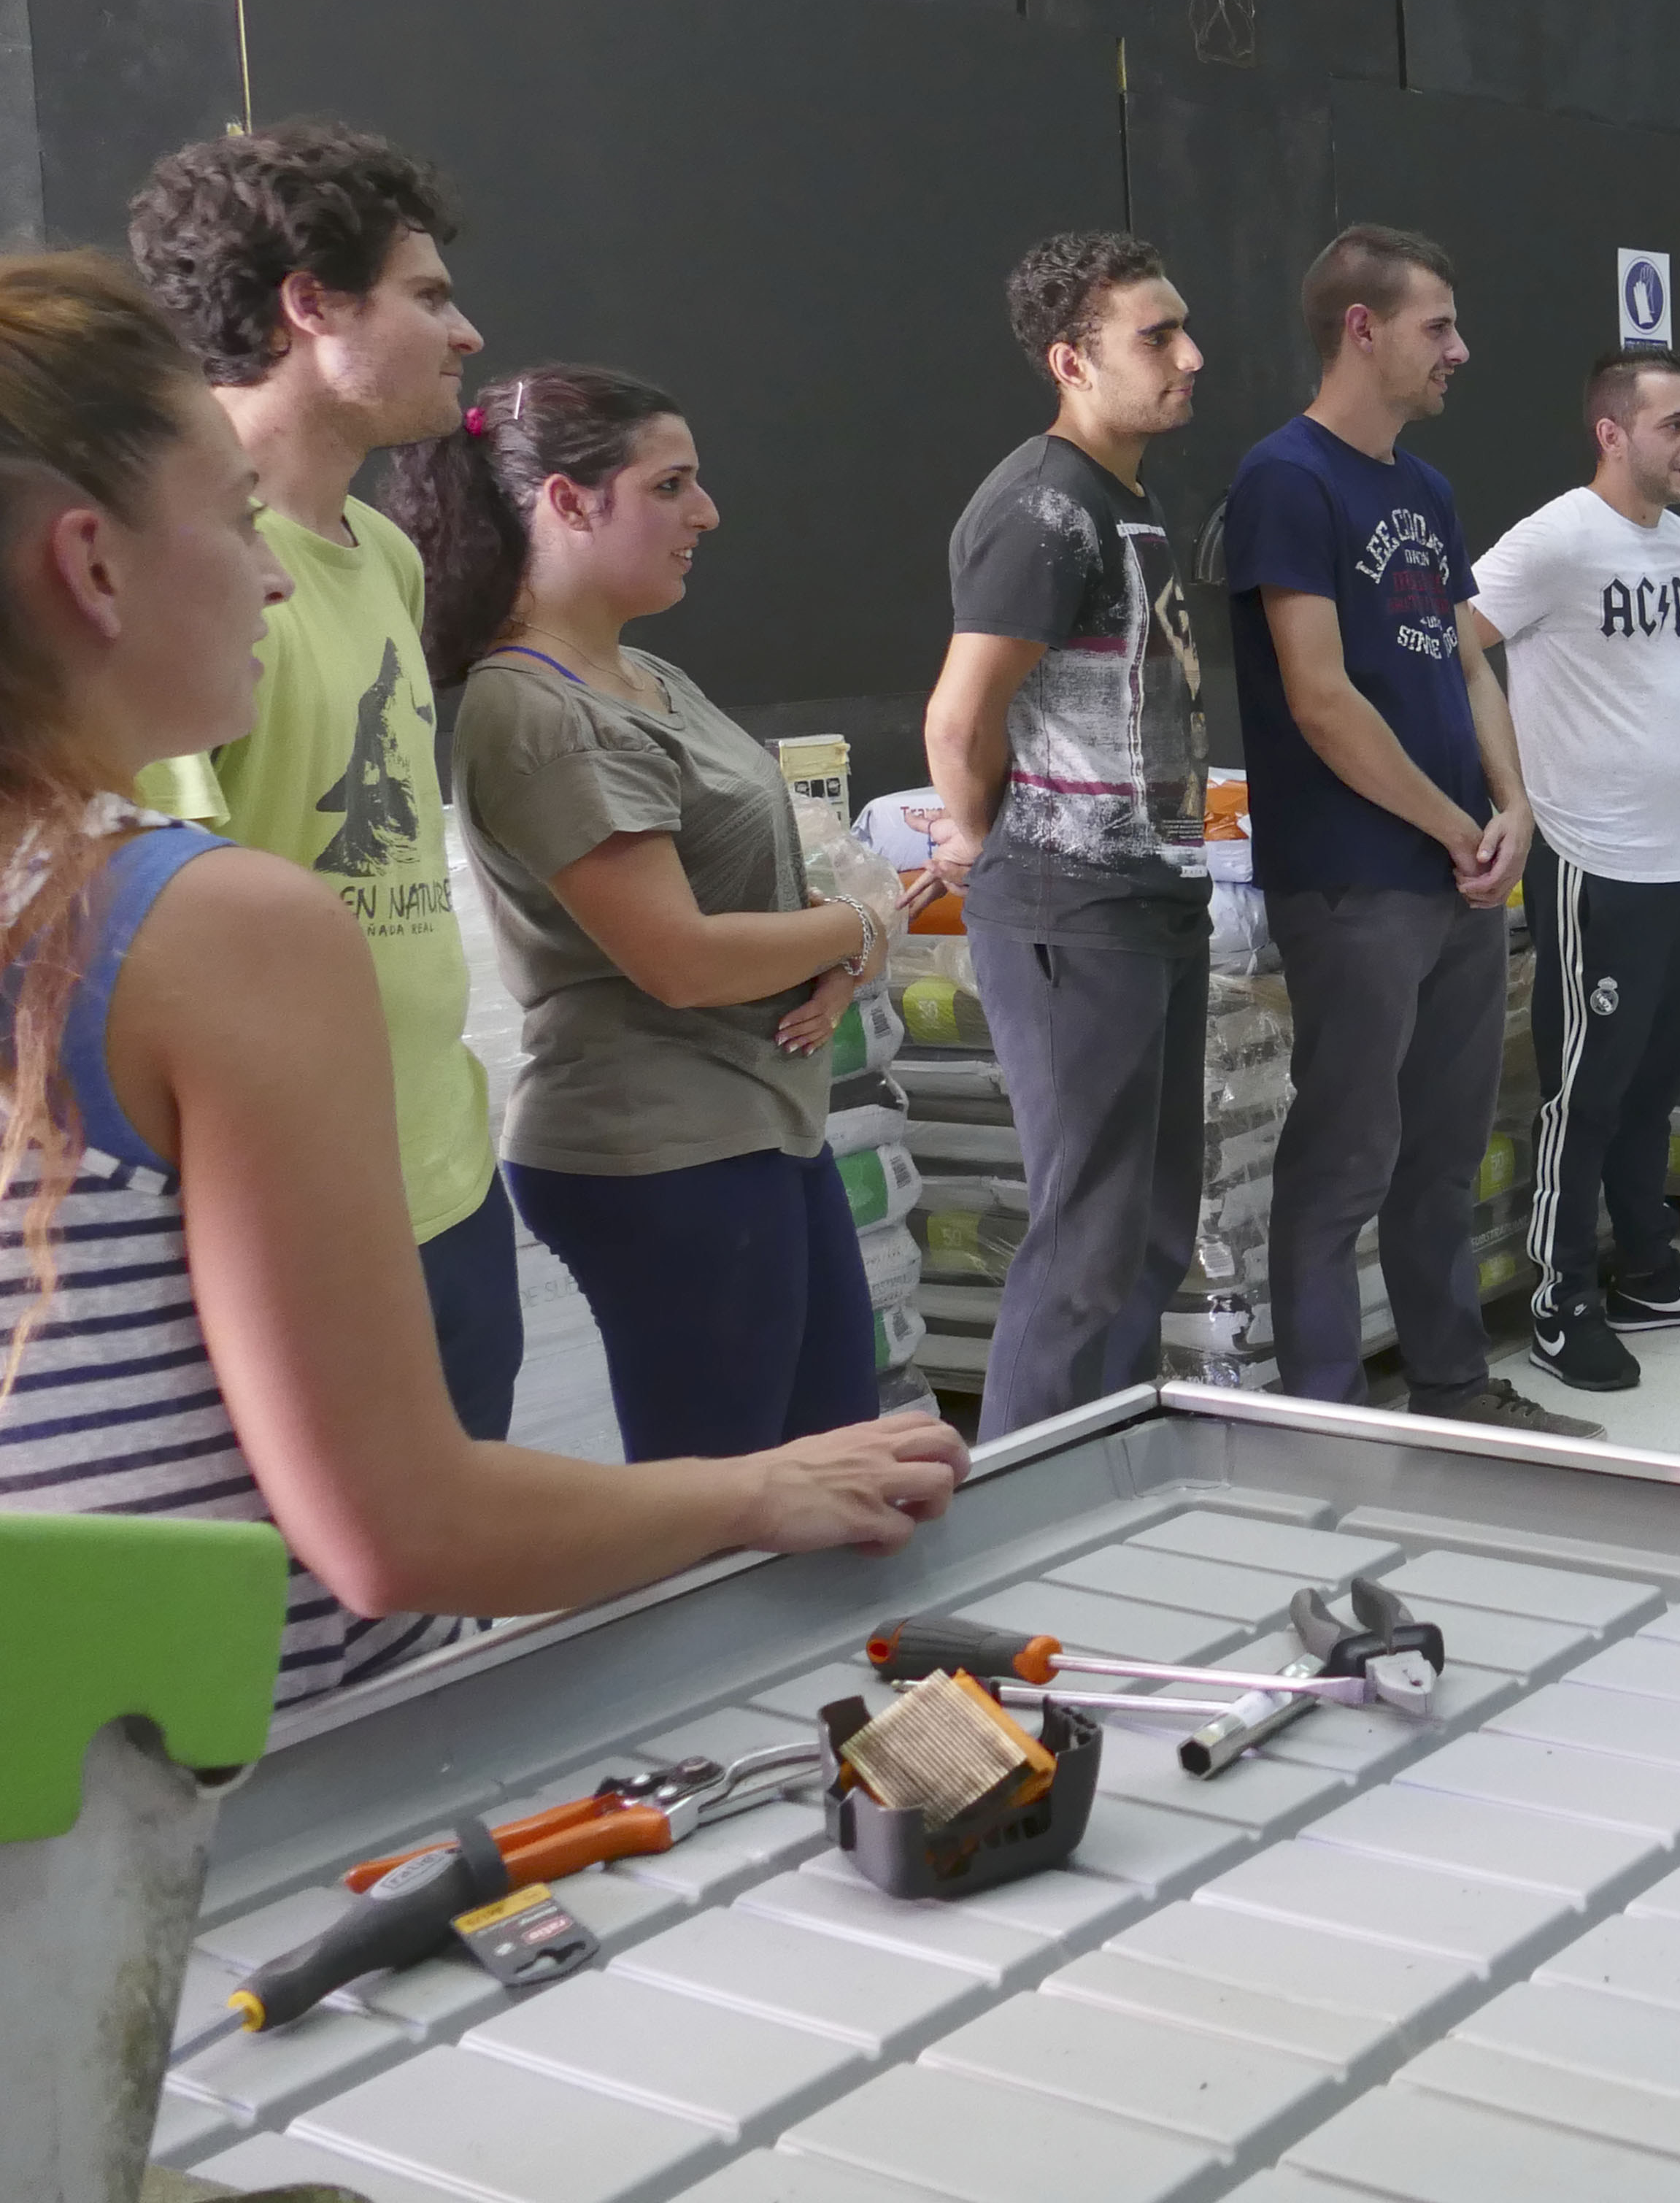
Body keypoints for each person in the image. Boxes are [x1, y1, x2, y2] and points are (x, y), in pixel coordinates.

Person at [0, 253, 963, 1706]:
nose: (277, 575)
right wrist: (761, 1491)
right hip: (249, 1754)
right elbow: (400, 1529)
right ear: (91, 567)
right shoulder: (206, 924)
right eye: (239, 521)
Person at [382, 364, 918, 1461]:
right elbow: (681, 959)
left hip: (759, 1120)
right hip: (666, 1151)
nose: (706, 513)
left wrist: (835, 944)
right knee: (727, 1499)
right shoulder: (541, 712)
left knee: (833, 1463)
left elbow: (749, 886)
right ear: (568, 504)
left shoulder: (646, 675)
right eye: (669, 486)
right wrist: (863, 925)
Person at [123, 125, 523, 1441]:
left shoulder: (387, 556)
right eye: (428, 295)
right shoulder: (186, 577)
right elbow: (150, 950)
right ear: (311, 305)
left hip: (447, 1183)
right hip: (297, 1226)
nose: (466, 334)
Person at [1222, 225, 1591, 1435]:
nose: (1460, 349)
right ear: (1360, 328)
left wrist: (1512, 804)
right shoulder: (1287, 479)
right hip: (1355, 880)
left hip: (1456, 873)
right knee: (1343, 1162)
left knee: (1442, 1154)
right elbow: (1321, 698)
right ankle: (1328, 1422)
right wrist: (1453, 826)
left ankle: (1453, 1387)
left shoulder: (1425, 489)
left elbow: (1467, 661)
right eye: (1438, 326)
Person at [925, 234, 1214, 1437]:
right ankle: (1025, 1499)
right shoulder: (1045, 509)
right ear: (1071, 362)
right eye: (1158, 337)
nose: (1190, 357)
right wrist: (998, 846)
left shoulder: (1118, 495)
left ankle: (1113, 1473)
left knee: (1145, 1231)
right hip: (1073, 909)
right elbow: (958, 719)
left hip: (1148, 902)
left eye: (1183, 329)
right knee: (1086, 1243)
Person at [1466, 355, 1680, 1392]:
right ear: (1612, 434)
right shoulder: (1556, 539)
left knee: (1653, 1085)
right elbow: (1454, 641)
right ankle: (1560, 1300)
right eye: (1673, 424)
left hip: (1678, 860)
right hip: (1589, 860)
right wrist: (1512, 790)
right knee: (1585, 1095)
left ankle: (1648, 1272)